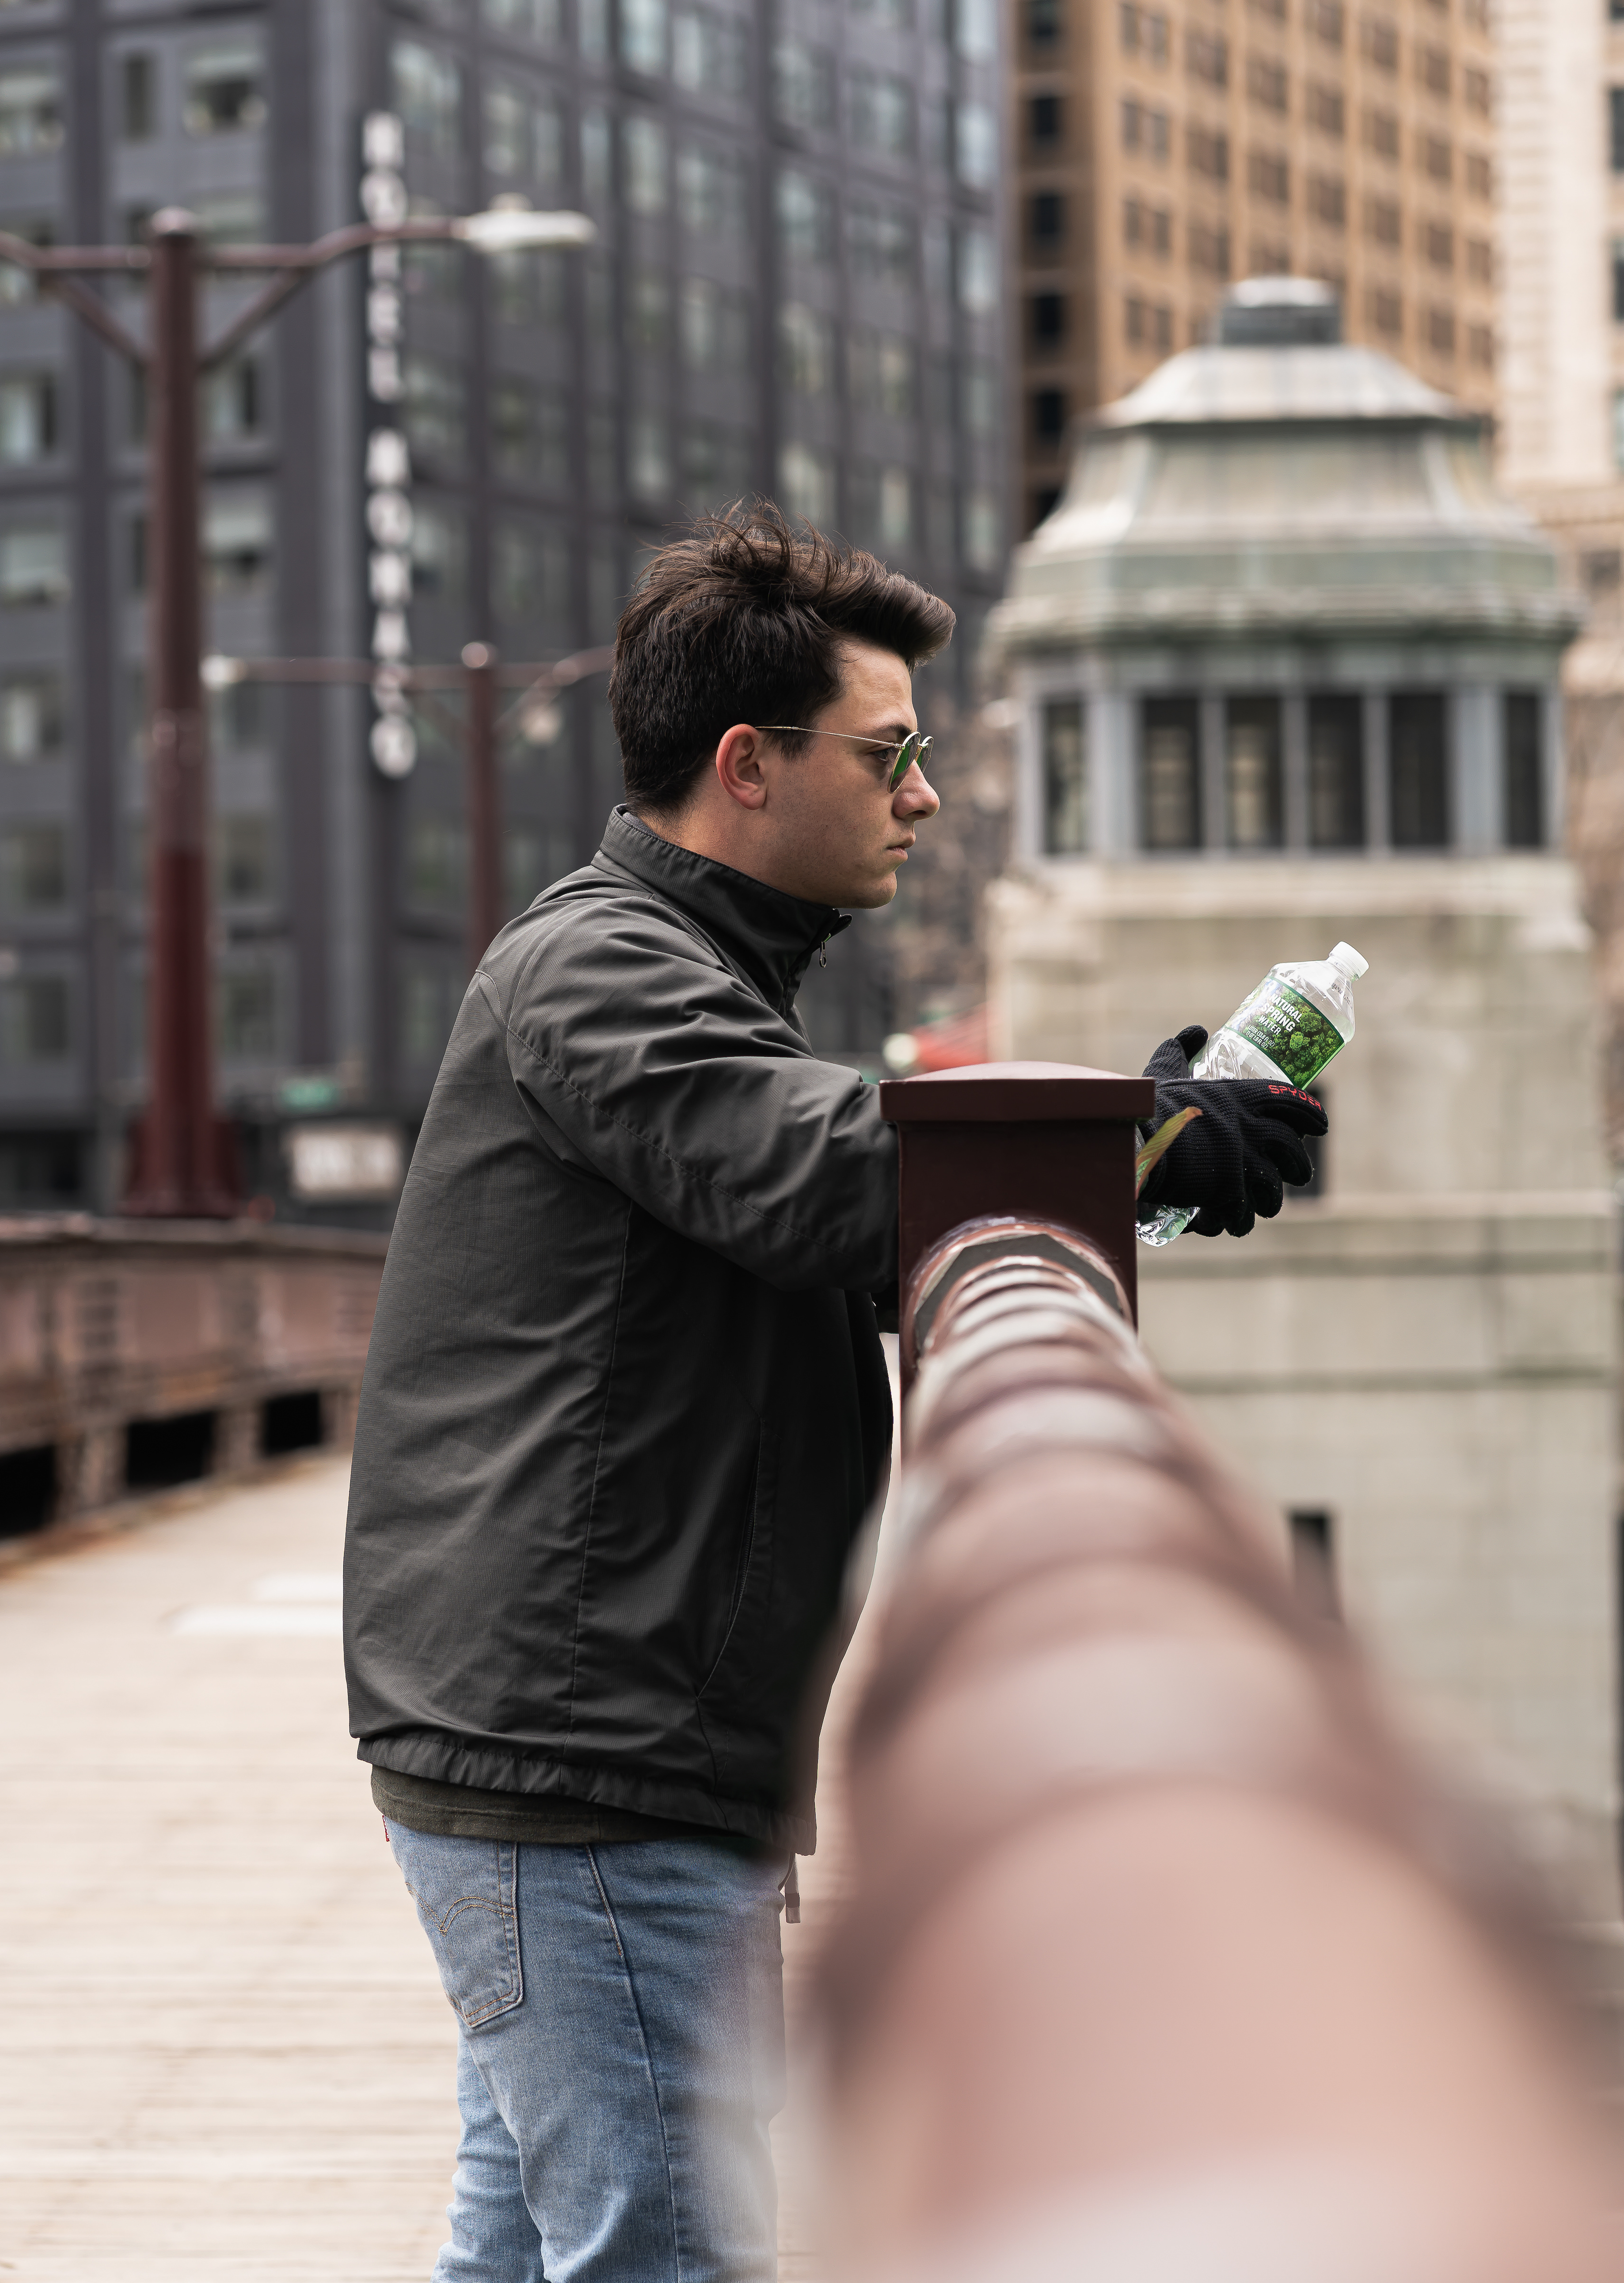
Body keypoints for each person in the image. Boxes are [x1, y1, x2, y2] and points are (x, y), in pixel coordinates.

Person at [343, 503, 1325, 2283]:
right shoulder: (601, 970)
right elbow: (822, 1174)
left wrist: (1141, 1159)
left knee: (544, 2246)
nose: (923, 794)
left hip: (591, 1733)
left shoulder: (677, 968)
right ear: (746, 764)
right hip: (586, 1755)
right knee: (665, 2252)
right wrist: (1148, 1134)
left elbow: (843, 1195)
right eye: (889, 755)